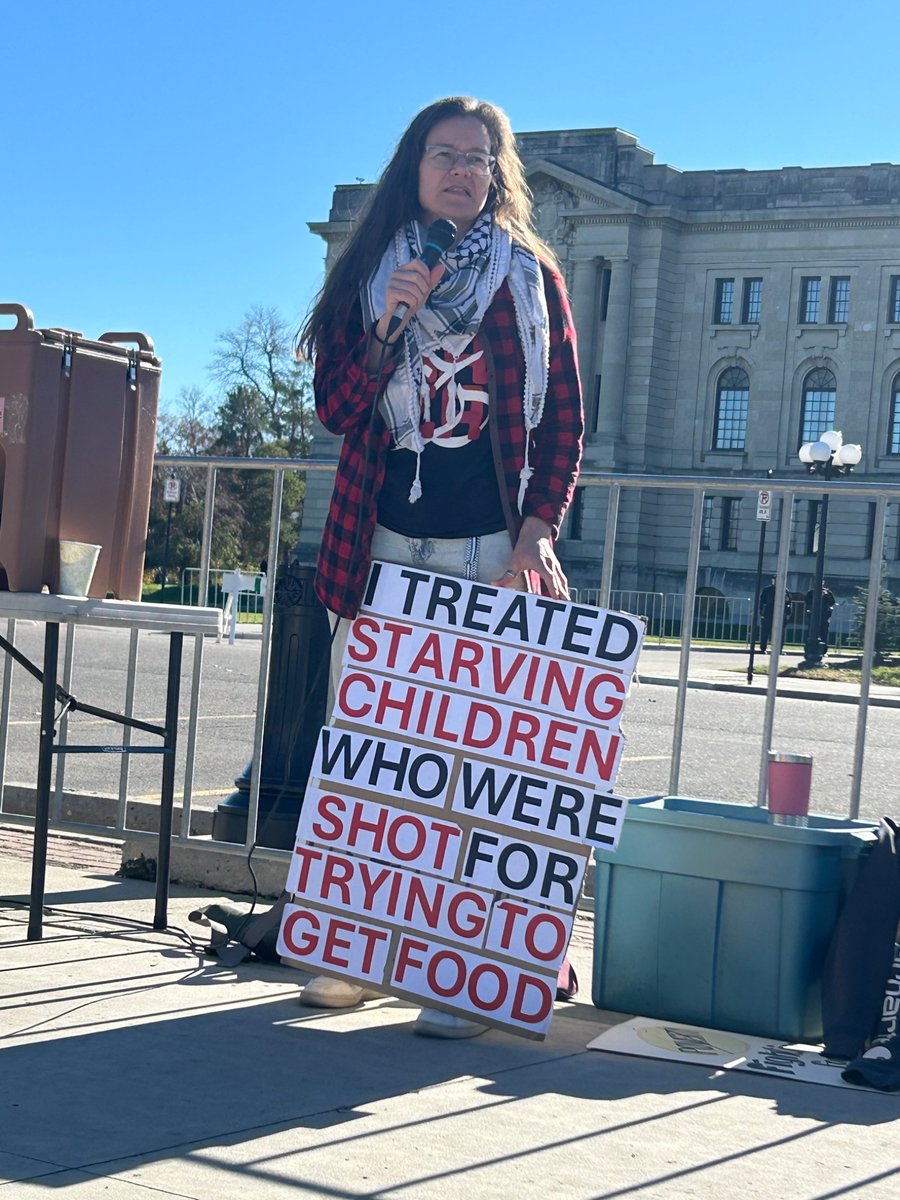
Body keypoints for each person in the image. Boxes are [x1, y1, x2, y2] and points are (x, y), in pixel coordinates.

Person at [296, 96, 584, 1037]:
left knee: (472, 765)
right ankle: (355, 952)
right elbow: (338, 409)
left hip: (482, 549)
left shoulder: (530, 280)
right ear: (412, 171)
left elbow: (566, 417)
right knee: (374, 762)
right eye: (442, 155)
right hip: (378, 544)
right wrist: (388, 327)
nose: (461, 170)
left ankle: (457, 971)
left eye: (479, 157)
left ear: (499, 174)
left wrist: (539, 527)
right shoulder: (372, 278)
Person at [758, 577, 791, 654]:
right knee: (765, 631)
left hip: (781, 614)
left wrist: (788, 613)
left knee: (780, 633)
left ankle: (778, 650)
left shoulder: (785, 590)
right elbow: (762, 602)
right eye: (774, 580)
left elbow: (789, 603)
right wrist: (762, 613)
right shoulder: (767, 590)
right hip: (768, 613)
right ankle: (763, 649)